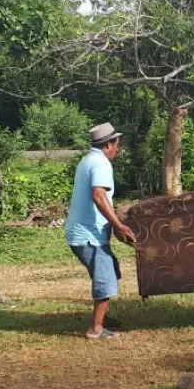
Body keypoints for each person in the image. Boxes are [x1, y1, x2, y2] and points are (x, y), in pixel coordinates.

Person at [65, 123, 137, 340]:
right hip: (89, 235)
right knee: (105, 277)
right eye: (116, 144)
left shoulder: (88, 160)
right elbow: (98, 196)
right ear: (108, 144)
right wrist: (119, 225)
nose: (118, 149)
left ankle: (102, 318)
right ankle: (96, 329)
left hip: (82, 232)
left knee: (109, 270)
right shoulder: (100, 163)